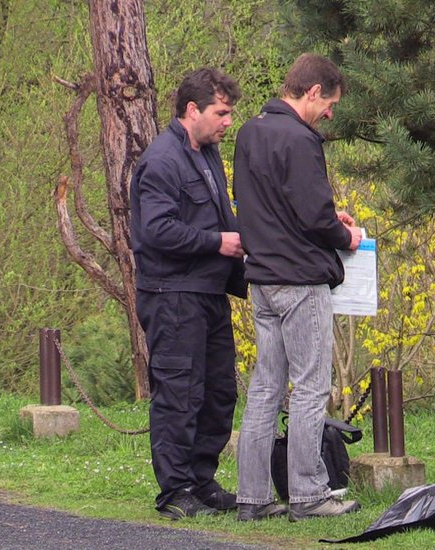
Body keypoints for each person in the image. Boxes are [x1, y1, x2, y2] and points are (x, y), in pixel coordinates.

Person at [232, 53, 363, 522]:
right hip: (300, 280)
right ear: (312, 93)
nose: (330, 113)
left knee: (265, 388)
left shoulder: (249, 132)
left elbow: (262, 206)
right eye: (329, 103)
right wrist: (344, 233)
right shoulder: (301, 139)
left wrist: (328, 218)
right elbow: (311, 215)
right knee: (310, 386)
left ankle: (252, 495)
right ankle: (308, 493)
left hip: (262, 279)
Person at [129, 68, 247, 520]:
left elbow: (224, 215)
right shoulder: (161, 161)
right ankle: (174, 489)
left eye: (230, 114)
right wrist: (216, 242)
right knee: (179, 392)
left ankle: (201, 479)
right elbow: (155, 230)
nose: (227, 123)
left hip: (209, 292)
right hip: (172, 295)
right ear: (192, 110)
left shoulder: (207, 154)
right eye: (221, 113)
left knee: (218, 391)